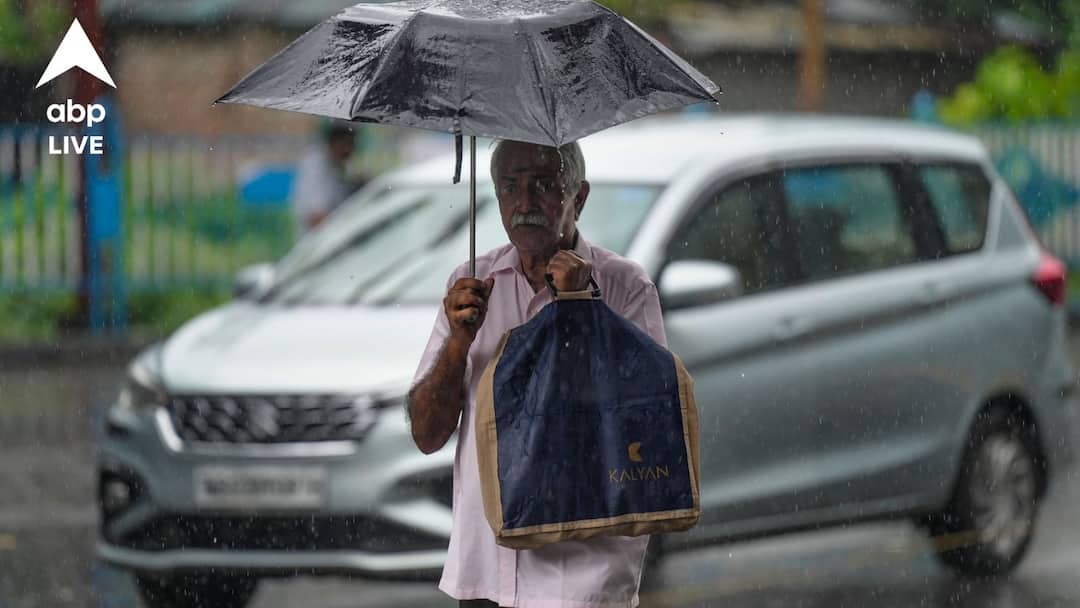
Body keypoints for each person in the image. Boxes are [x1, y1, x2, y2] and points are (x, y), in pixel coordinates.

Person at [408, 140, 667, 608]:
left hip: (581, 574)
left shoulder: (623, 286)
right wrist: (458, 342)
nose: (524, 203)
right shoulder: (470, 287)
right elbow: (427, 434)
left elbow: (644, 424)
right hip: (485, 572)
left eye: (543, 185)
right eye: (510, 187)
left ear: (578, 198)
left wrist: (581, 309)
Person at [290, 120, 356, 233]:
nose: (349, 150)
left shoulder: (336, 168)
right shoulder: (316, 165)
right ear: (335, 141)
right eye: (347, 144)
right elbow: (317, 216)